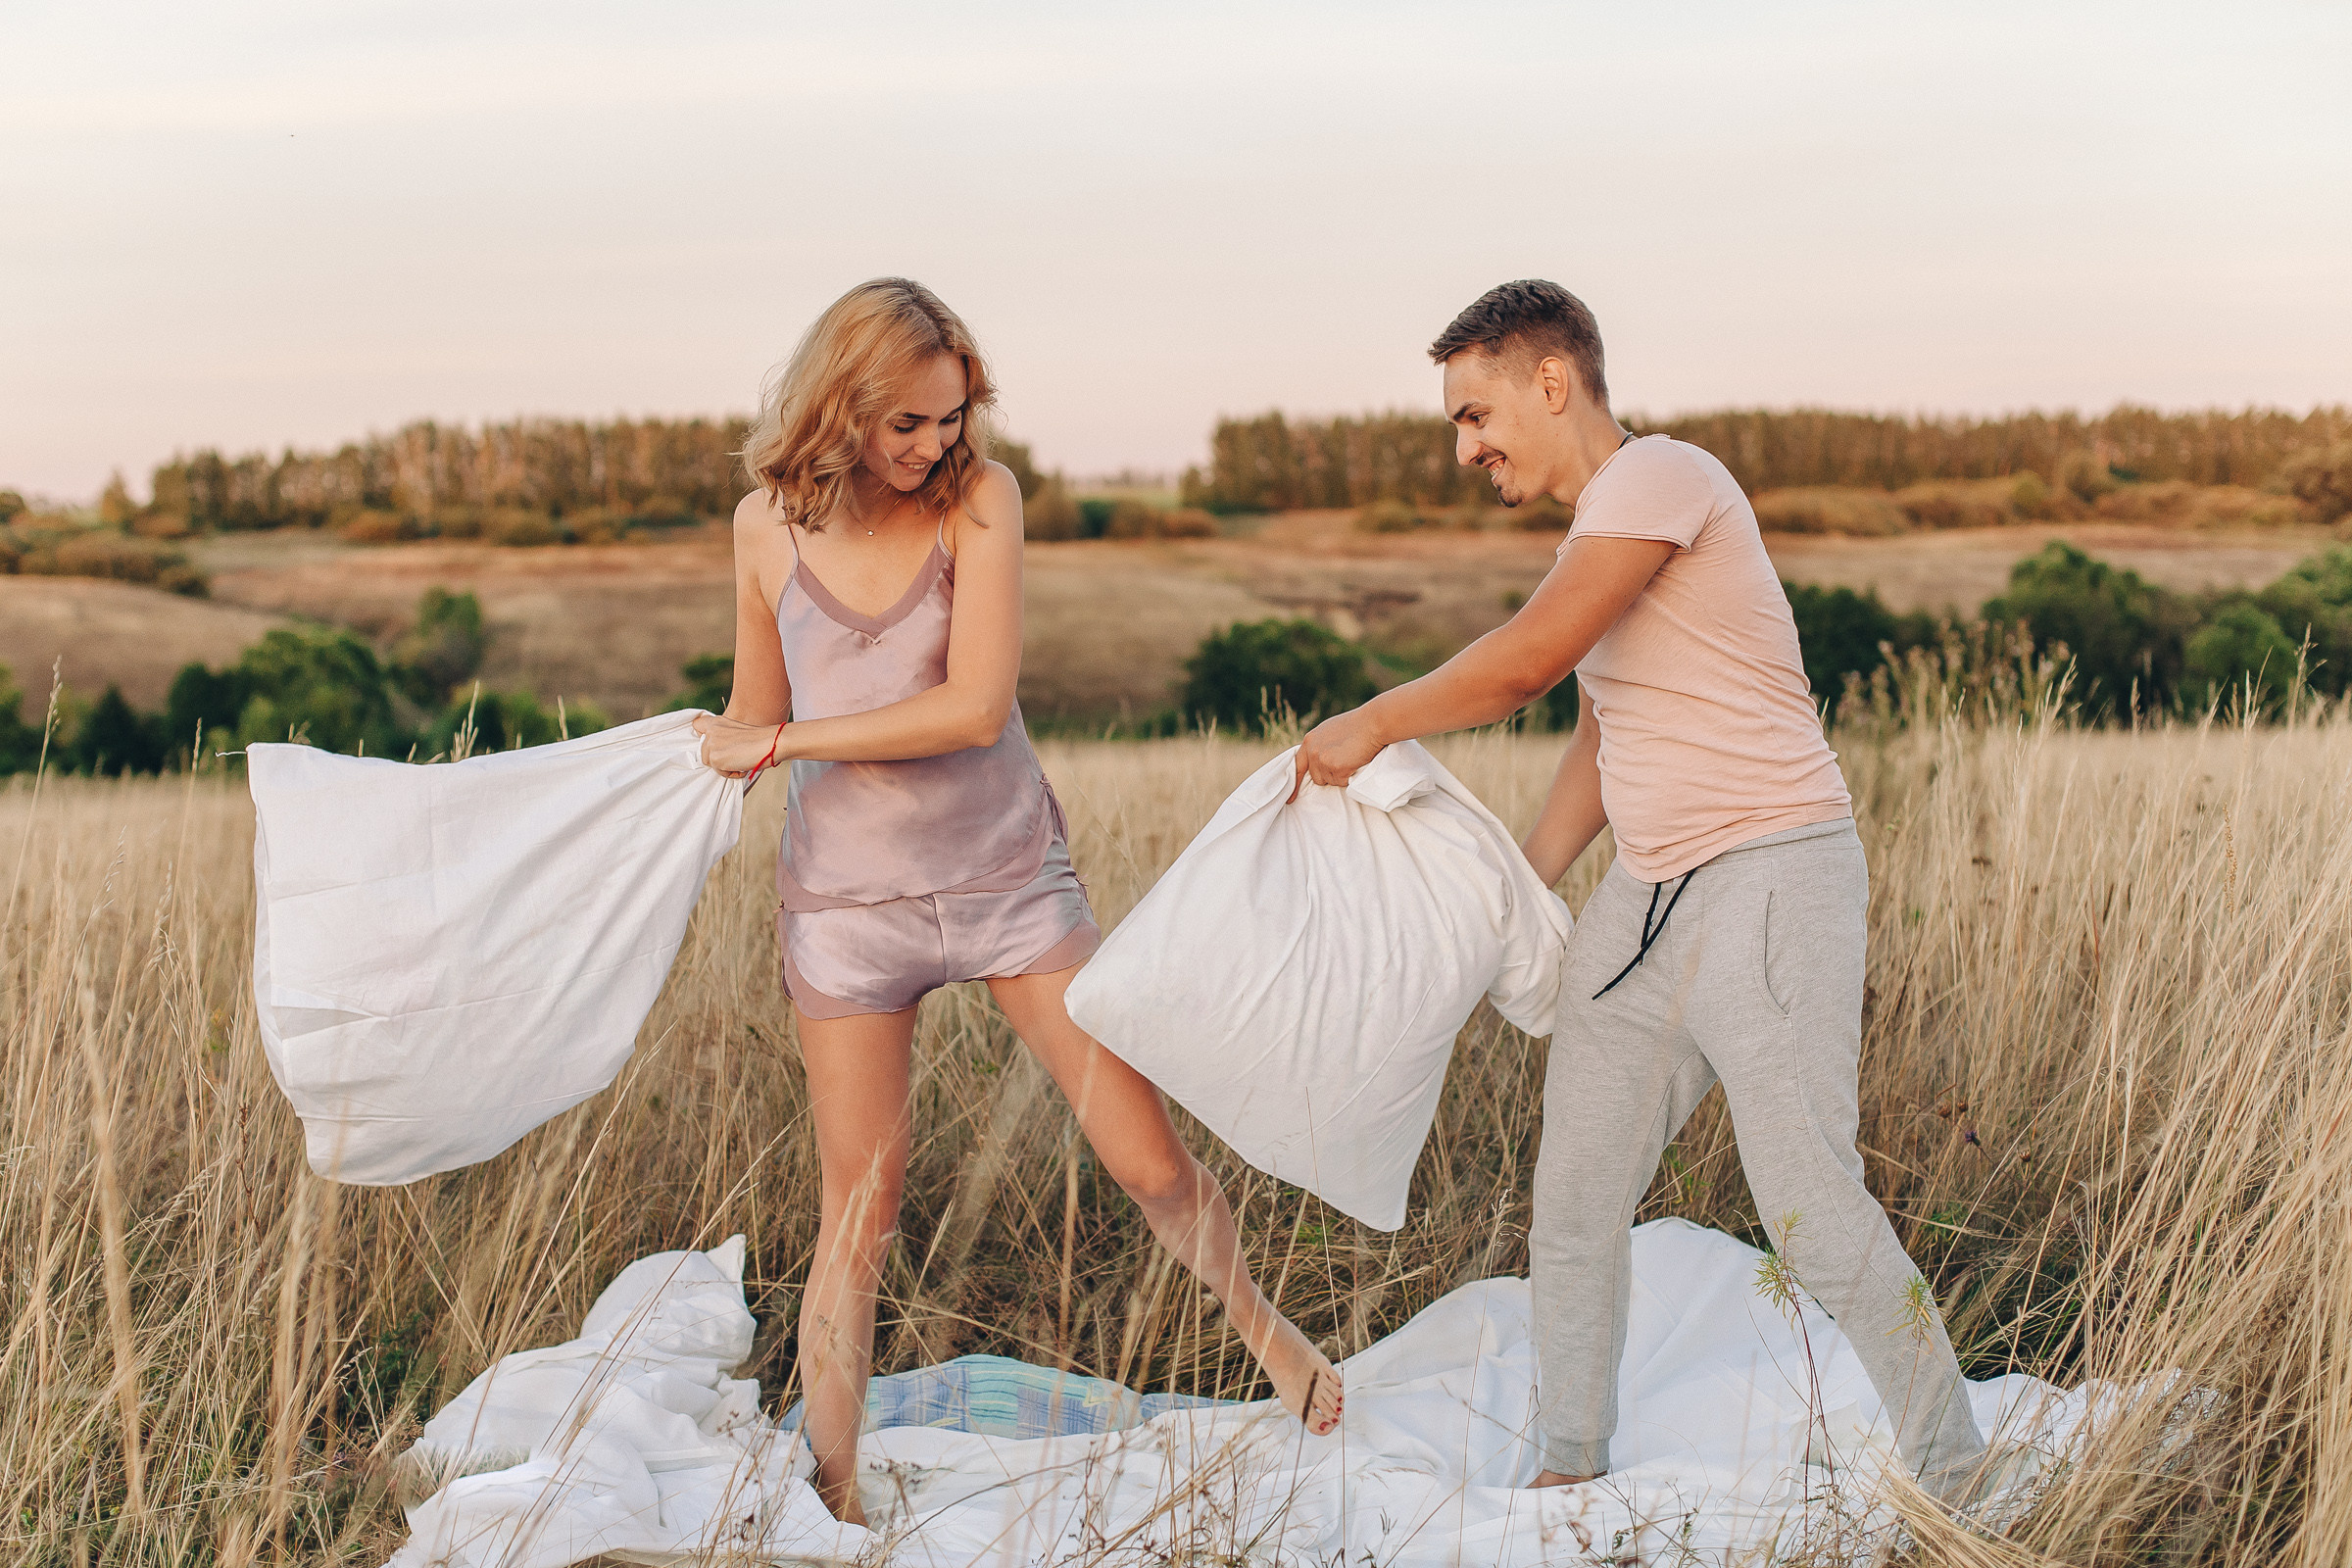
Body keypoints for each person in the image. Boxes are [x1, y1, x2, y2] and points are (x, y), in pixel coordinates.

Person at [1294, 280, 1987, 1497]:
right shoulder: (1599, 534)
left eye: (1475, 414)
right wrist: (1513, 886)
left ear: (1551, 383)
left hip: (1773, 873)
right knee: (1571, 1201)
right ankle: (1570, 1473)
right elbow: (1601, 738)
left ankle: (1963, 1475)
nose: (1466, 449)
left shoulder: (1663, 477)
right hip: (1650, 903)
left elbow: (1524, 665)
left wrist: (1370, 723)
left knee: (1813, 1211)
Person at [693, 278, 1342, 1524]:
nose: (938, 444)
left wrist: (778, 747)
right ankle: (834, 1496)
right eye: (910, 424)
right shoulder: (761, 528)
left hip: (1004, 879)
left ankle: (1269, 1336)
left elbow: (973, 707)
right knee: (860, 1200)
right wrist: (707, 747)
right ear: (842, 404)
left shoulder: (983, 502)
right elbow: (753, 705)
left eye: (954, 416)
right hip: (843, 908)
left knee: (1143, 1155)